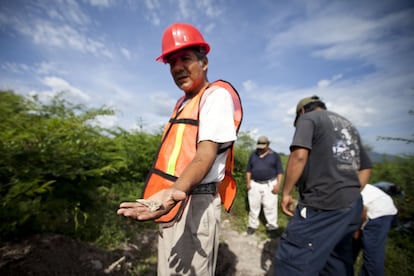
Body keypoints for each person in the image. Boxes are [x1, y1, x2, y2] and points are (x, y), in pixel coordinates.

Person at [116, 22, 242, 276]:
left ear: (204, 62)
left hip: (194, 202)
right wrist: (169, 195)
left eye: (185, 58)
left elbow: (205, 155)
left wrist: (174, 191)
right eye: (171, 62)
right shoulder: (182, 103)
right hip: (174, 201)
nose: (177, 68)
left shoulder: (215, 96)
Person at [275, 95, 373, 275]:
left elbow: (299, 156)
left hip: (322, 204)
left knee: (293, 261)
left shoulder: (308, 118)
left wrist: (286, 193)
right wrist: (348, 193)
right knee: (335, 261)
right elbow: (365, 167)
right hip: (351, 207)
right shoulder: (348, 125)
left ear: (302, 111)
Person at [353, 183, 398, 276]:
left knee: (372, 255)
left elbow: (362, 210)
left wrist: (356, 231)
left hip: (378, 211)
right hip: (367, 209)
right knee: (347, 250)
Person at [246, 136, 283, 236]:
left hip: (270, 184)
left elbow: (280, 172)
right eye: (259, 145)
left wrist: (278, 185)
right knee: (254, 206)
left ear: (268, 145)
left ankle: (272, 226)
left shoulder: (274, 156)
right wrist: (248, 182)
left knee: (270, 206)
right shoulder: (253, 155)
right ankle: (252, 225)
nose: (261, 148)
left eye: (263, 146)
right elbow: (249, 170)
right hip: (255, 184)